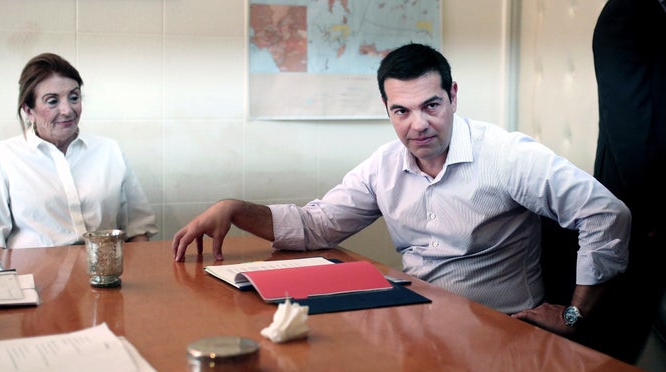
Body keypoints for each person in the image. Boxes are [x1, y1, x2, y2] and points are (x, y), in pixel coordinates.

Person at [172, 43, 630, 338]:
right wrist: (233, 208)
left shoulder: (507, 155)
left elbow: (606, 214)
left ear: (453, 95)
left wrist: (574, 315)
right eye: (402, 111)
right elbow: (316, 225)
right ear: (387, 110)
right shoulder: (384, 165)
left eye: (431, 105)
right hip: (412, 321)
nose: (419, 125)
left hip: (498, 332)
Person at [0, 53, 158, 253]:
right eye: (52, 101)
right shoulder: (3, 156)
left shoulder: (109, 150)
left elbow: (137, 231)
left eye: (74, 97)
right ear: (28, 111)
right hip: (32, 280)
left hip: (103, 278)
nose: (67, 110)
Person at [591, 0, 666, 363]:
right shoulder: (629, 11)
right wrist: (650, 209)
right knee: (622, 333)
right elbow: (628, 122)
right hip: (639, 199)